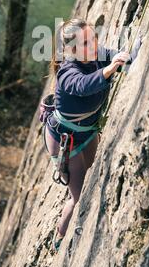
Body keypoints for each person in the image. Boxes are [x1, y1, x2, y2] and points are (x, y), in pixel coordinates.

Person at [45, 18, 142, 251]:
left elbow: (114, 53)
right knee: (78, 198)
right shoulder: (67, 72)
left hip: (87, 132)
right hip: (65, 141)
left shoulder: (96, 54)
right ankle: (59, 239)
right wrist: (110, 69)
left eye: (94, 38)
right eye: (86, 42)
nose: (94, 45)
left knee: (93, 174)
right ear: (71, 50)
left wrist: (127, 54)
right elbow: (84, 85)